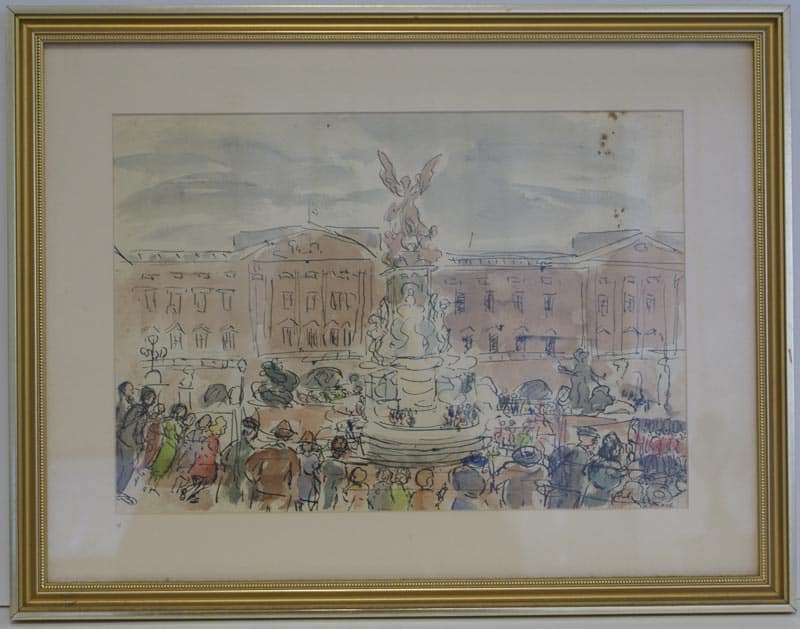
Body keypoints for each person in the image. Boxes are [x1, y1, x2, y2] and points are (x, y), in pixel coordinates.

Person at [245, 419, 300, 511]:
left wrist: (257, 480)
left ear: (276, 436)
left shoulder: (263, 452)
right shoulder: (292, 455)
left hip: (263, 493)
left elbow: (248, 468)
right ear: (288, 438)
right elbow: (295, 476)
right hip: (282, 495)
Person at [116, 386, 156, 505]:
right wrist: (141, 444)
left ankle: (117, 490)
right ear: (147, 398)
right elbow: (138, 430)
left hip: (122, 439)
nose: (153, 400)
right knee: (128, 467)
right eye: (152, 398)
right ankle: (118, 491)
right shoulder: (142, 411)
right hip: (129, 442)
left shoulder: (136, 407)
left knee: (122, 465)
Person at [546, 425, 599, 508]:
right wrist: (554, 474)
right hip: (565, 487)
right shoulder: (572, 448)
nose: (594, 441)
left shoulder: (589, 453)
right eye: (592, 438)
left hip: (576, 488)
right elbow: (553, 457)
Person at [216, 415, 259, 506]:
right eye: (245, 427)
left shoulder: (254, 450)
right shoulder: (234, 445)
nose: (247, 430)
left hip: (245, 482)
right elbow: (222, 459)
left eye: (250, 428)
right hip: (231, 481)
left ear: (255, 432)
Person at [146, 403, 187, 495]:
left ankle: (152, 487)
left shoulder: (177, 424)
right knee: (158, 468)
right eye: (179, 411)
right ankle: (149, 486)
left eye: (182, 413)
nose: (180, 414)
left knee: (162, 469)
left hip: (171, 449)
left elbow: (180, 439)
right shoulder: (168, 422)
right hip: (165, 447)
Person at [182, 416, 226, 504]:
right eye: (224, 427)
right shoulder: (214, 439)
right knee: (205, 484)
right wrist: (220, 463)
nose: (225, 429)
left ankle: (189, 492)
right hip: (207, 467)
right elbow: (216, 455)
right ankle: (187, 491)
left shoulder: (207, 438)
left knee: (198, 484)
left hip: (199, 465)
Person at [583, 432, 627, 508]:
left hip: (610, 477)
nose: (606, 440)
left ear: (613, 441)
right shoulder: (602, 449)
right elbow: (598, 458)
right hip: (597, 478)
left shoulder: (618, 450)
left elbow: (619, 465)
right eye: (606, 438)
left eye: (609, 438)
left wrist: (604, 462)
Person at [296, 431, 323, 511]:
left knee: (311, 503)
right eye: (304, 444)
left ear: (312, 445)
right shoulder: (299, 457)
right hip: (301, 483)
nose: (306, 445)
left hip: (311, 483)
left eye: (308, 443)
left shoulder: (314, 457)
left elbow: (317, 471)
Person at [320, 436, 349, 511]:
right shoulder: (329, 456)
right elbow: (324, 470)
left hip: (341, 480)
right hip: (330, 480)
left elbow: (346, 470)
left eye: (342, 443)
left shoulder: (346, 455)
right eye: (338, 443)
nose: (340, 444)